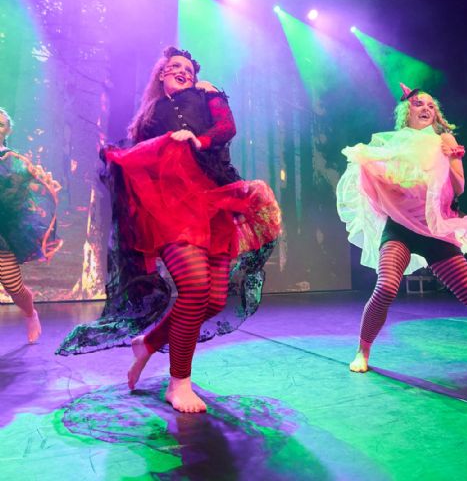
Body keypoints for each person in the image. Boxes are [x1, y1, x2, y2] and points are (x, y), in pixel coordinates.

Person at [59, 47, 281, 413]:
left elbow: (227, 128)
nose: (183, 72)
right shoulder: (150, 114)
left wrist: (200, 132)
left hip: (215, 200)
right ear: (161, 74)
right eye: (175, 67)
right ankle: (178, 383)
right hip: (171, 206)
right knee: (193, 287)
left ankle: (147, 344)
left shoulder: (206, 95)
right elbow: (142, 157)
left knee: (212, 300)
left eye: (189, 70)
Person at [337, 84, 467, 371]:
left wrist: (450, 156)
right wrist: (369, 164)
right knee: (386, 287)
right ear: (406, 111)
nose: (426, 108)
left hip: (436, 228)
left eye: (431, 106)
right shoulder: (395, 143)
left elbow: (459, 187)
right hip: (400, 227)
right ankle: (363, 352)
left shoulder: (443, 139)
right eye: (419, 103)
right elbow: (381, 183)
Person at [0, 107, 62, 342]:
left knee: (13, 286)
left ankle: (30, 313)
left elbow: (34, 186)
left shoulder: (14, 161)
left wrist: (46, 186)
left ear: (7, 131)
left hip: (4, 230)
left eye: (0, 124)